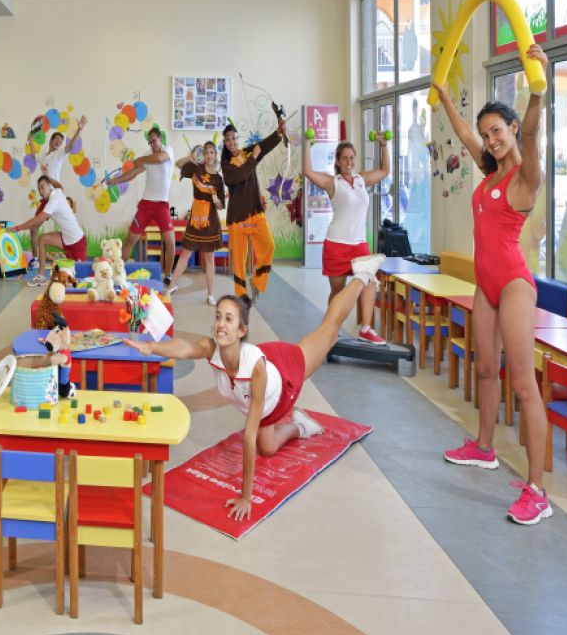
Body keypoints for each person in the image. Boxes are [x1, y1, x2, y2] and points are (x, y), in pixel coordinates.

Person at [125, 253, 384, 521]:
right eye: (218, 317)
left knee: (329, 331)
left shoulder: (255, 371)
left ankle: (362, 274)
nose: (220, 324)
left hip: (285, 374)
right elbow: (184, 348)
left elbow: (248, 435)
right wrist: (151, 347)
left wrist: (246, 496)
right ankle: (300, 425)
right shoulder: (212, 349)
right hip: (265, 395)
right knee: (268, 448)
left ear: (241, 330)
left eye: (228, 319)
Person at [435, 43, 551, 526]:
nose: (490, 139)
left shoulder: (525, 177)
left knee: (523, 384)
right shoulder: (488, 173)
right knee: (485, 370)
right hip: (484, 284)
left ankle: (538, 491)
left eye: (497, 131)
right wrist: (444, 93)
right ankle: (484, 448)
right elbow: (463, 134)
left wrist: (537, 88)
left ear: (512, 129)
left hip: (514, 285)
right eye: (487, 134)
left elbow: (533, 131)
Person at [302, 133, 391, 344]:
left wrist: (384, 145)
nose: (349, 162)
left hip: (359, 245)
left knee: (370, 280)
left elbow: (385, 171)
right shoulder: (333, 183)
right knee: (337, 291)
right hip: (336, 245)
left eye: (351, 158)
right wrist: (307, 145)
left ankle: (366, 328)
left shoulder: (361, 180)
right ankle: (330, 329)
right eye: (344, 158)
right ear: (338, 161)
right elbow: (308, 172)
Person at [221, 120, 286, 296]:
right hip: (237, 218)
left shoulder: (247, 152)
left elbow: (263, 146)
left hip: (255, 212)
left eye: (234, 138)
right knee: (239, 261)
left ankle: (257, 281)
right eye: (228, 139)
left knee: (269, 245)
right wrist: (254, 158)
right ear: (225, 143)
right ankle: (241, 296)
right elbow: (241, 175)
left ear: (238, 138)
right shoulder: (226, 166)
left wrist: (278, 133)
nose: (231, 142)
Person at [107, 126, 176, 281]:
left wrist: (140, 160)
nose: (152, 144)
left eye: (154, 141)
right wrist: (114, 181)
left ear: (160, 138)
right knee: (130, 240)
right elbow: (133, 173)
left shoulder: (168, 151)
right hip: (146, 205)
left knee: (170, 242)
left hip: (162, 206)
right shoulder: (147, 156)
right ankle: (118, 272)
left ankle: (168, 275)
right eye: (149, 142)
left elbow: (159, 158)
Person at [166, 142, 227, 304]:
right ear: (203, 155)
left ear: (215, 155)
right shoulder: (196, 169)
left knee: (209, 258)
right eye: (206, 153)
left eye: (212, 152)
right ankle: (172, 286)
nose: (209, 155)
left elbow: (221, 206)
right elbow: (178, 164)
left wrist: (216, 200)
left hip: (210, 222)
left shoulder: (218, 179)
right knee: (185, 253)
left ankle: (210, 294)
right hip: (194, 220)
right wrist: (189, 158)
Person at [29, 115, 87, 269]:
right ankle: (35, 259)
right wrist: (30, 139)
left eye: (61, 142)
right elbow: (33, 154)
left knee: (65, 227)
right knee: (33, 228)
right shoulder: (43, 157)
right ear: (50, 141)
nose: (59, 142)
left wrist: (79, 130)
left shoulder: (59, 154)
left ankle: (74, 254)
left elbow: (70, 146)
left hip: (56, 197)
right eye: (56, 140)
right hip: (46, 199)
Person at [12, 175, 88, 284]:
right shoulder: (58, 191)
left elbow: (37, 220)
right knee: (43, 239)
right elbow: (60, 186)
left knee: (82, 278)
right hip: (66, 240)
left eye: (43, 187)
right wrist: (47, 177)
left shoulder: (54, 200)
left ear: (49, 186)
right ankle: (41, 275)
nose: (40, 192)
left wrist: (17, 228)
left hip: (77, 242)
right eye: (39, 189)